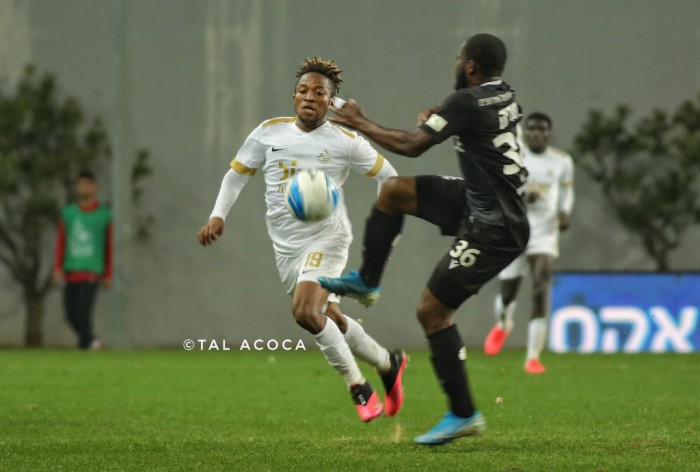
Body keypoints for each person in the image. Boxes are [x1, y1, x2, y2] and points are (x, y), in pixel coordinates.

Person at [319, 34, 529, 445]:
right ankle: (368, 281)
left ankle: (463, 413)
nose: (456, 64)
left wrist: (360, 122)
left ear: (470, 66)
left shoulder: (465, 102)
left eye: (459, 59)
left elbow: (413, 146)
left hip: (496, 227)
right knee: (393, 191)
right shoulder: (503, 93)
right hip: (480, 200)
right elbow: (475, 124)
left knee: (432, 313)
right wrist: (444, 117)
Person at [197, 57, 407, 423]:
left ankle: (358, 386)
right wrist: (218, 215)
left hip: (328, 239)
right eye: (304, 90)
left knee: (306, 312)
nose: (310, 97)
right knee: (329, 317)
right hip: (286, 247)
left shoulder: (345, 141)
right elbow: (236, 175)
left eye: (319, 92)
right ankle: (388, 362)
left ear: (331, 101)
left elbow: (390, 179)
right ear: (294, 96)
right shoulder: (269, 133)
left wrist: (382, 237)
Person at [484, 112, 574, 374]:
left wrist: (564, 212)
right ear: (527, 132)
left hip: (545, 232)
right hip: (514, 230)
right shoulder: (515, 156)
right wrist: (522, 198)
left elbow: (567, 190)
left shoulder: (562, 161)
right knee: (508, 292)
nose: (537, 133)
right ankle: (504, 323)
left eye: (542, 129)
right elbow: (500, 190)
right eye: (532, 129)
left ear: (549, 133)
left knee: (540, 288)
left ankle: (533, 357)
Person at [53, 170, 112, 350]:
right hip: (72, 269)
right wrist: (57, 267)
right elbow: (61, 241)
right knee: (70, 314)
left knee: (84, 313)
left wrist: (108, 274)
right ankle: (91, 342)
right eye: (81, 184)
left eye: (88, 184)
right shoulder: (69, 213)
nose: (84, 188)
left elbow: (109, 246)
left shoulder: (104, 215)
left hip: (92, 270)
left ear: (94, 187)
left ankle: (88, 344)